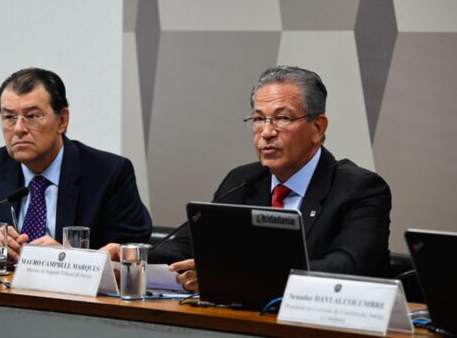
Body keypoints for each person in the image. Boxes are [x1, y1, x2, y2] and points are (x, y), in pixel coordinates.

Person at [146, 65, 391, 291]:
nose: (266, 132)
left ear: (317, 128)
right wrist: (128, 257)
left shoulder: (360, 188)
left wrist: (236, 275)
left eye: (283, 118)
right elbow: (188, 245)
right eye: (259, 118)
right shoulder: (242, 180)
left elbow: (346, 266)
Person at [0, 67, 152, 261]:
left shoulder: (108, 173)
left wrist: (70, 259)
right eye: (9, 117)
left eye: (32, 116)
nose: (19, 128)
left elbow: (135, 247)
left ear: (62, 120)